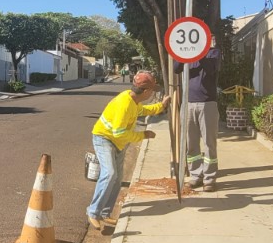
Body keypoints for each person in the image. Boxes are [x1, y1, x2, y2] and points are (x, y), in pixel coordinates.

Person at [87, 71, 171, 229]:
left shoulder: (133, 99)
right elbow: (118, 132)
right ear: (146, 92)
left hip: (118, 142)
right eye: (152, 90)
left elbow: (143, 111)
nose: (153, 93)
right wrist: (142, 135)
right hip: (104, 138)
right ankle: (93, 212)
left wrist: (161, 106)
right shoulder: (124, 103)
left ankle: (105, 213)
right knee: (109, 173)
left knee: (117, 178)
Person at [174, 37, 221, 192]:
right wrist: (183, 53)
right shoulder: (187, 55)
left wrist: (198, 52)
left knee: (209, 143)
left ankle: (209, 178)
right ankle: (195, 176)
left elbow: (210, 68)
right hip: (188, 103)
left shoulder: (213, 53)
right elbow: (176, 68)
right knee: (191, 143)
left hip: (207, 104)